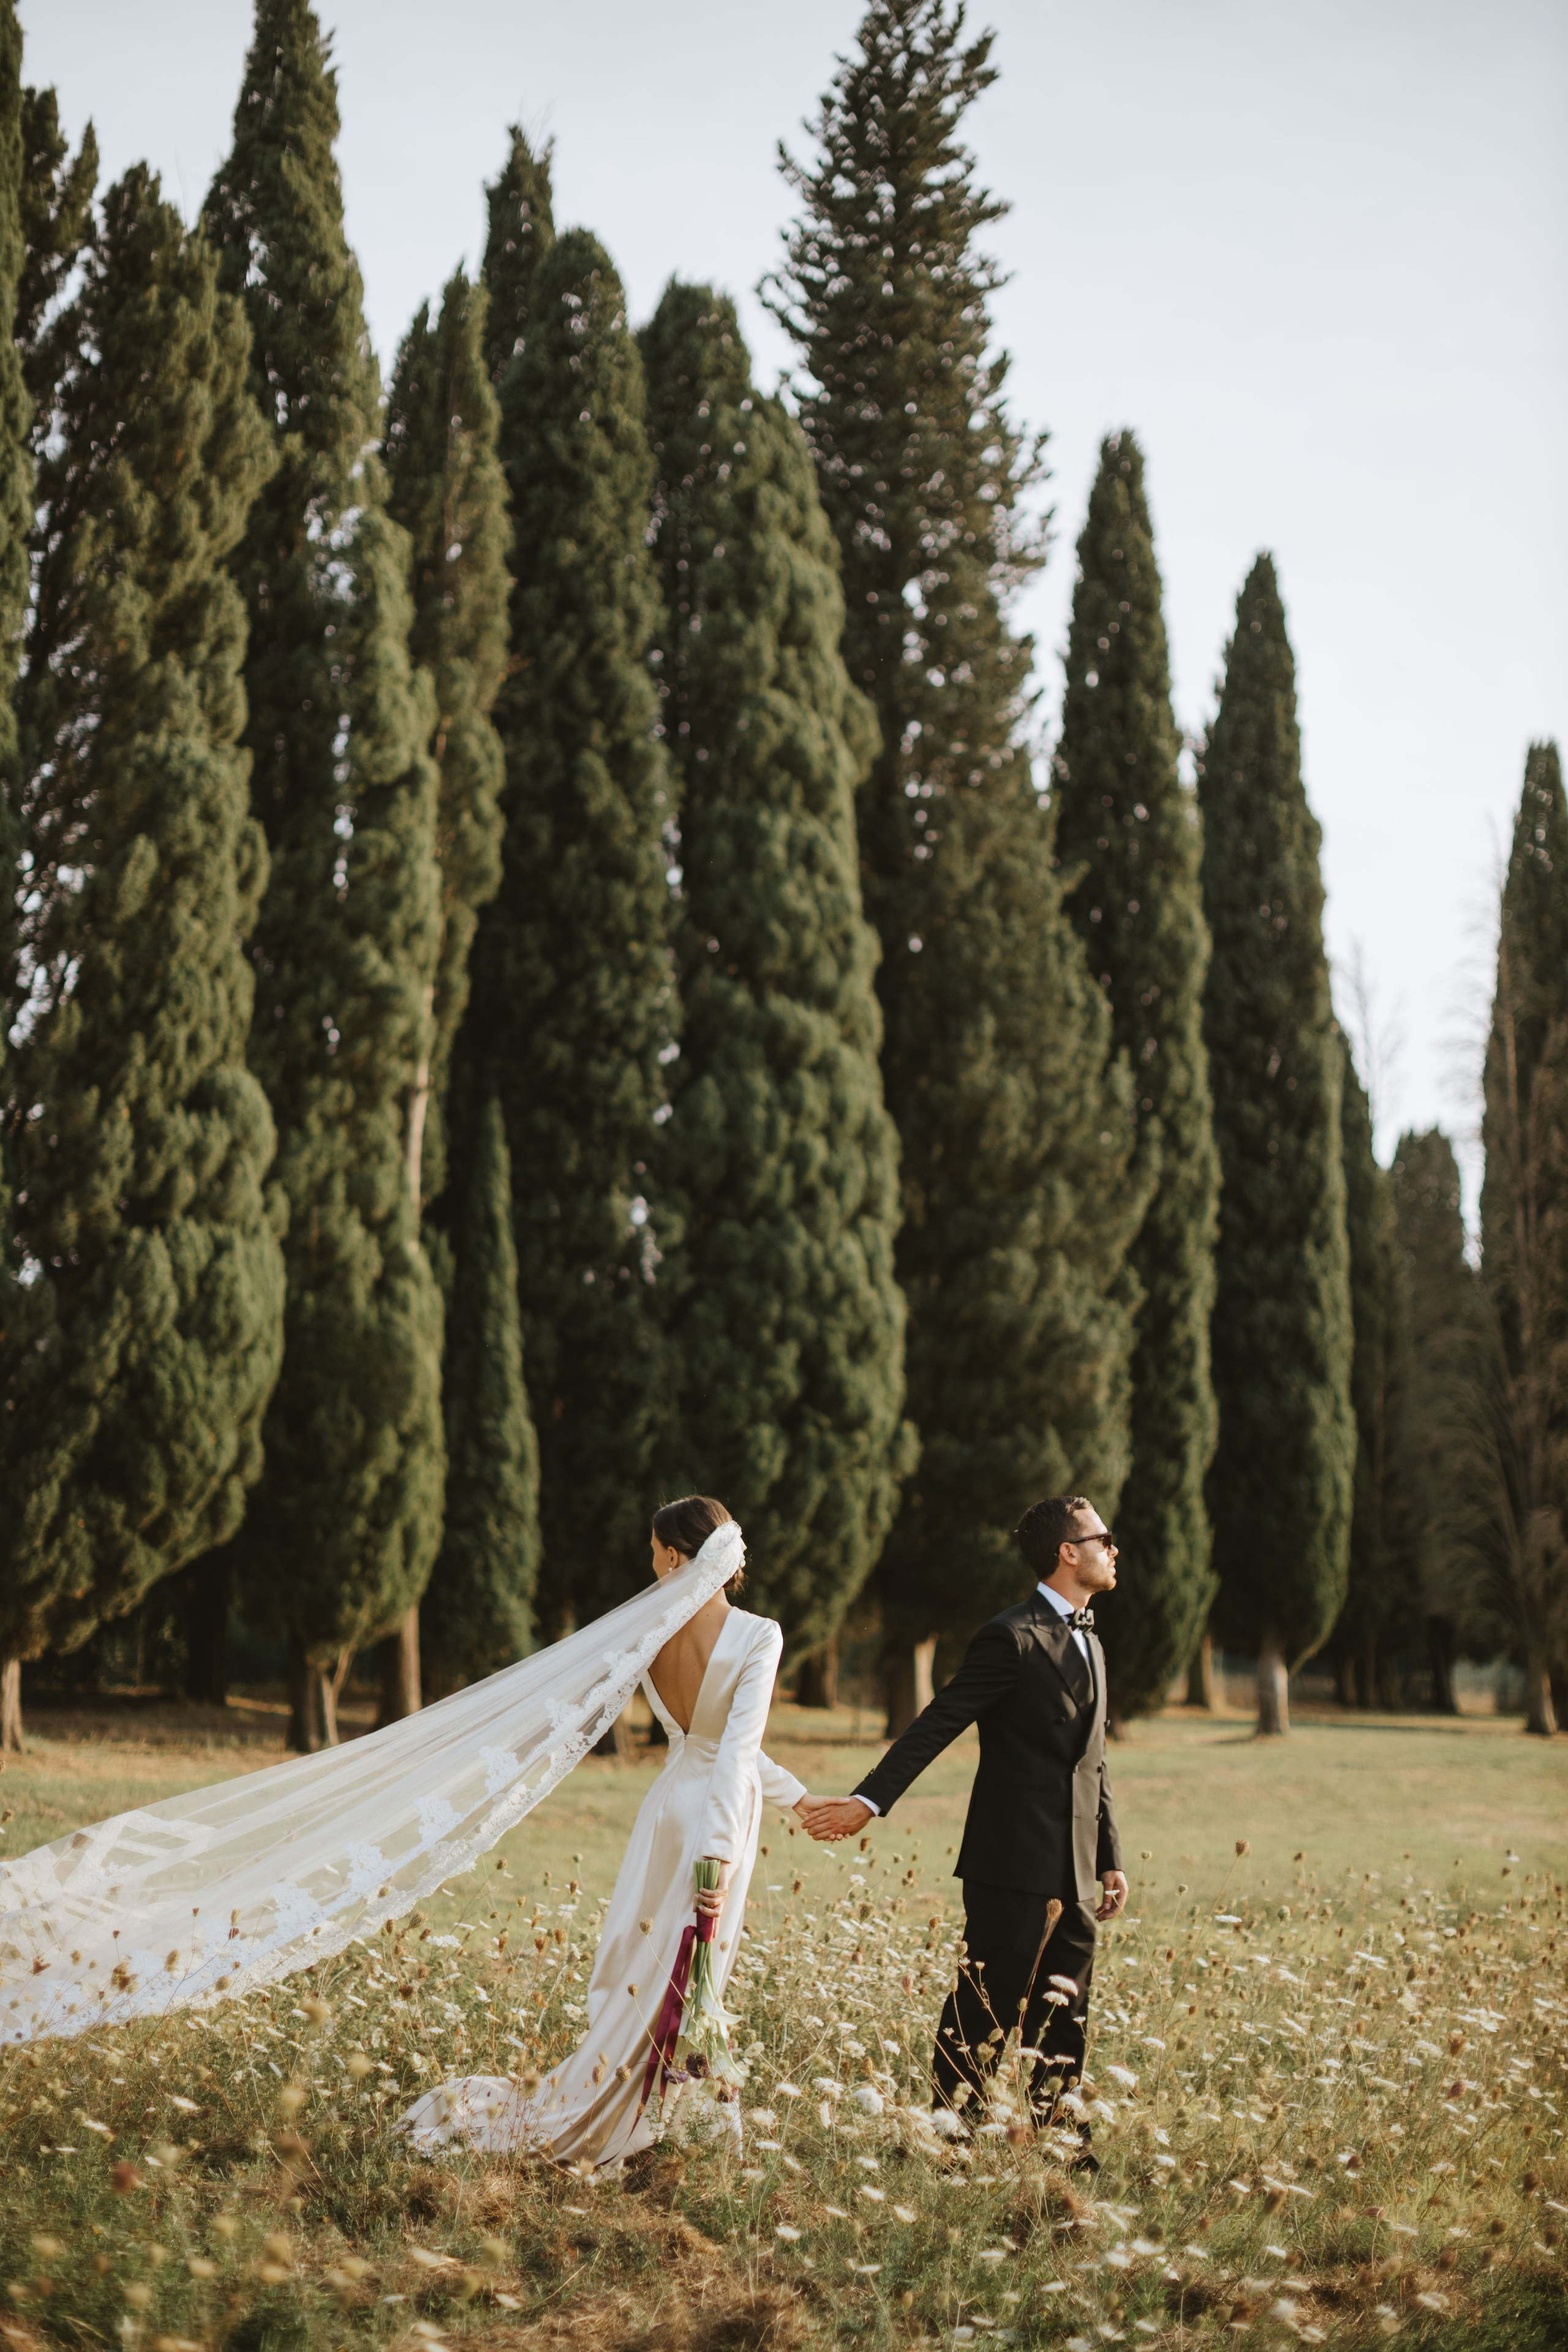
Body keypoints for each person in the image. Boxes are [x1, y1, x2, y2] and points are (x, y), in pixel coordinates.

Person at [401, 1496, 820, 2168]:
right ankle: (647, 2116)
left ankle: (648, 2100)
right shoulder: (759, 1635)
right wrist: (717, 1858)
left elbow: (714, 1743)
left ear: (677, 1557)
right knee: (698, 1968)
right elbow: (734, 1750)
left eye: (655, 1550)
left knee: (647, 1962)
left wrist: (798, 1798)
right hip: (720, 1812)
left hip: (668, 1807)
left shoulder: (649, 1633)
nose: (650, 1563)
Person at [805, 1496, 1127, 2162]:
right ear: (1069, 1552)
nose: (1113, 1549)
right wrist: (869, 1801)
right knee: (986, 2006)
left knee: (1067, 2007)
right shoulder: (1010, 1637)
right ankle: (950, 2135)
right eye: (1104, 1538)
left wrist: (1109, 1858)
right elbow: (936, 1723)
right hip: (1009, 1863)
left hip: (1075, 1863)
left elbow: (1093, 1761)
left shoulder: (1093, 1641)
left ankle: (1061, 2137)